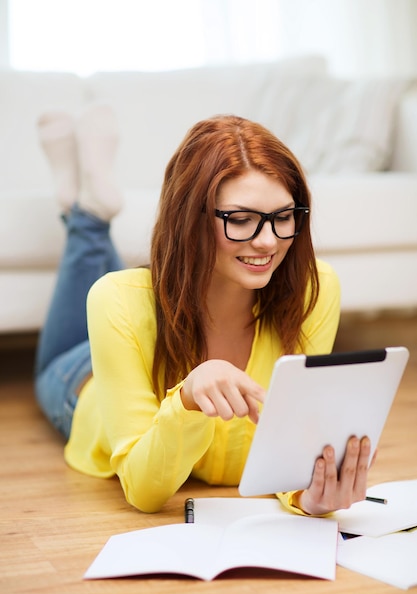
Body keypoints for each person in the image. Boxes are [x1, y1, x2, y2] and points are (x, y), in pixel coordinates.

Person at [34, 105, 372, 515]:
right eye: (242, 219)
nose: (267, 241)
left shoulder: (314, 289)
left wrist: (306, 494)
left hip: (139, 322)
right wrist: (188, 397)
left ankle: (85, 206)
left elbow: (289, 436)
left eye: (283, 216)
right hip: (78, 380)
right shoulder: (114, 300)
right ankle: (87, 213)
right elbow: (143, 490)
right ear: (188, 218)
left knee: (121, 289)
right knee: (103, 298)